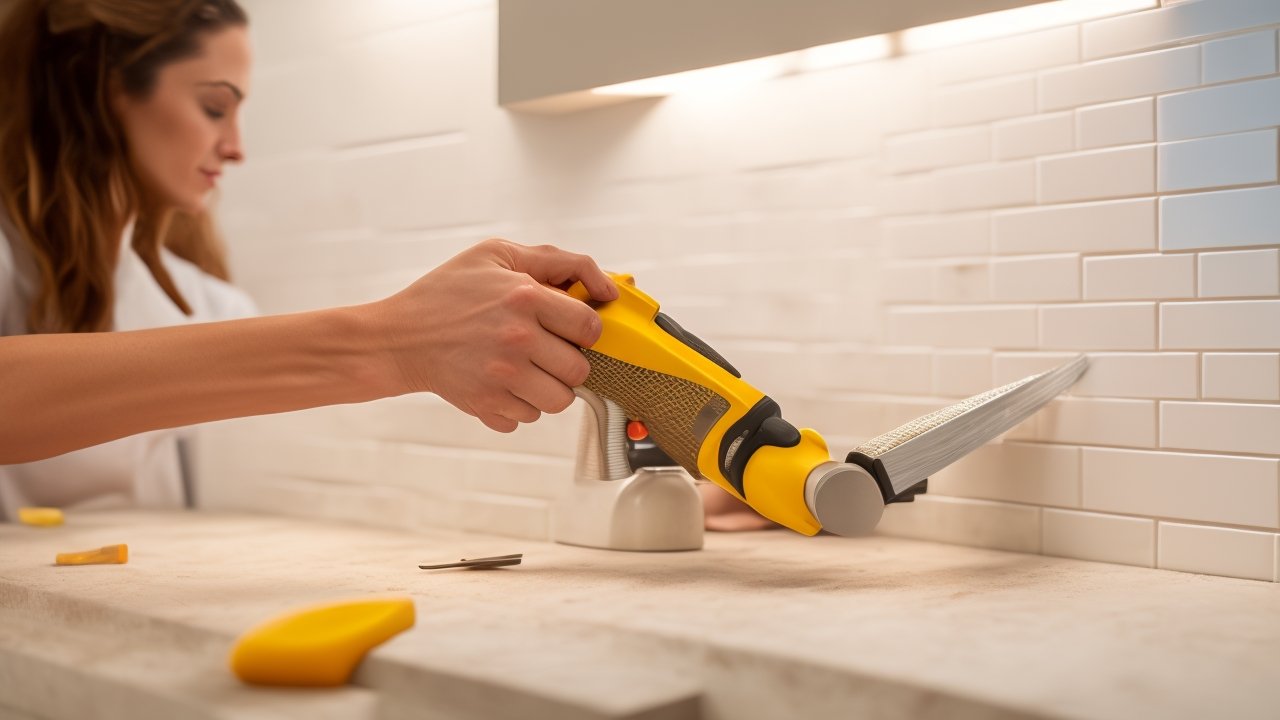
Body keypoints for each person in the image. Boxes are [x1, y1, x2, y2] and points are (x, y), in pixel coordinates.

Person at [0, 0, 618, 518]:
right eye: (214, 106)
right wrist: (398, 340)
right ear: (103, 87)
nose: (236, 147)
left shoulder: (207, 304)